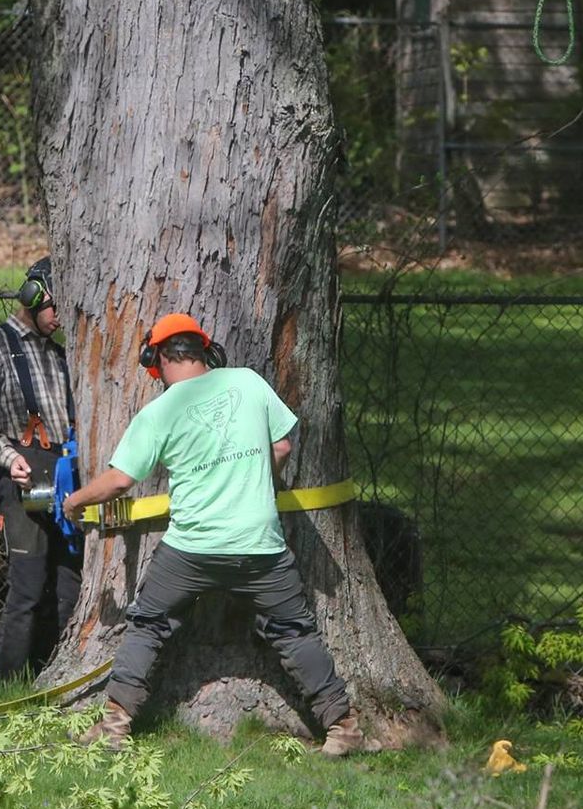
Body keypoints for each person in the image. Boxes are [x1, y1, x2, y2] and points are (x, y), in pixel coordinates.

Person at [60, 313, 362, 756]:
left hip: (191, 551)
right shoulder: (249, 382)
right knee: (295, 632)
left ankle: (113, 727)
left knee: (146, 625)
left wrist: (74, 502)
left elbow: (121, 481)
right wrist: (260, 481)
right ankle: (343, 728)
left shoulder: (159, 412)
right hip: (260, 546)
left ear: (158, 358)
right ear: (205, 350)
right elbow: (281, 445)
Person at [0, 258, 84, 685]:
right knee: (28, 590)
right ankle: (9, 691)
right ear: (33, 297)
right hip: (22, 475)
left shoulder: (62, 354)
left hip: (68, 477)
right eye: (56, 307)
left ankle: (56, 684)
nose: (62, 317)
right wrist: (7, 456)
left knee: (69, 588)